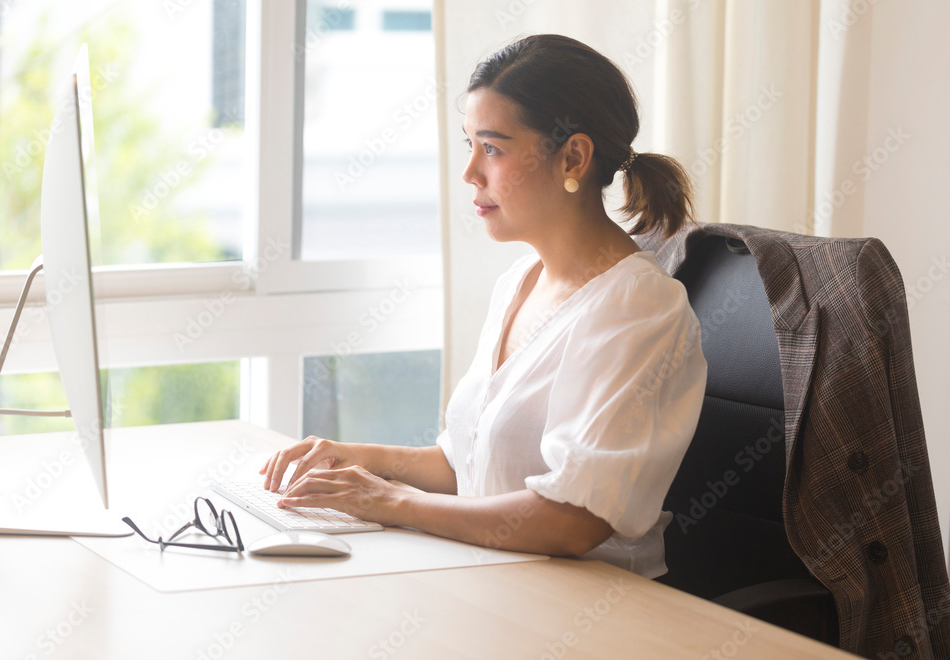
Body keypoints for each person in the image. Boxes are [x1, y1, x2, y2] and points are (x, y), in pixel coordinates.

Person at [260, 34, 707, 578]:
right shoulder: (522, 280)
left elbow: (571, 520)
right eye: (469, 145)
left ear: (573, 156)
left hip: (586, 610)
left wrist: (387, 501)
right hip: (491, 577)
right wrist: (357, 458)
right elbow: (467, 465)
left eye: (492, 148)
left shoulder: (638, 305)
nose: (471, 172)